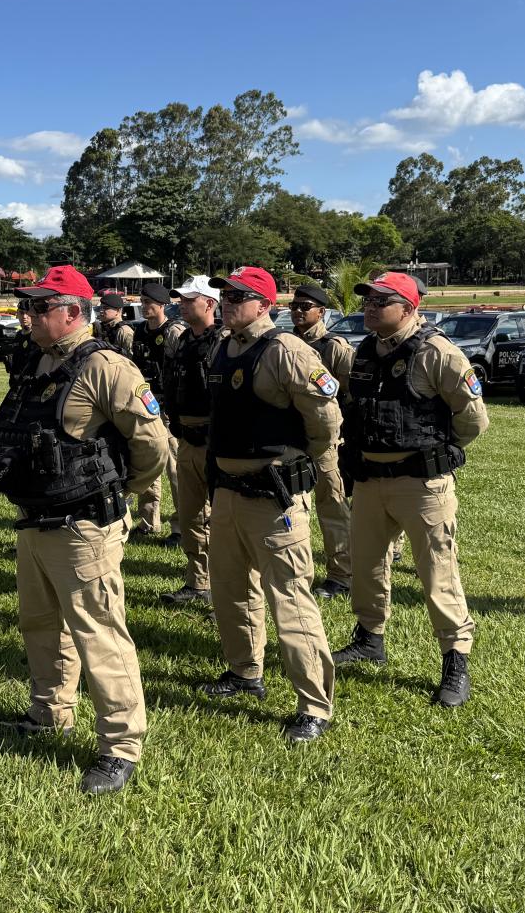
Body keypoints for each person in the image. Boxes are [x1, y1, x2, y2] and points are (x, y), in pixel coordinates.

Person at [0, 265, 168, 794]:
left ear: (72, 313)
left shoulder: (107, 367)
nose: (30, 315)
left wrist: (119, 492)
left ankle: (120, 746)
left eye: (41, 308)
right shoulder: (38, 361)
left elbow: (152, 444)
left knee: (99, 633)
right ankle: (49, 713)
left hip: (84, 524)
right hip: (36, 517)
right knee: (40, 625)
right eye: (31, 307)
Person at [193, 267, 340, 746]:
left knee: (291, 600)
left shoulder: (286, 351)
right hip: (230, 492)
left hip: (275, 496)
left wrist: (301, 467)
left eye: (239, 295)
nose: (228, 301)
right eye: (225, 294)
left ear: (264, 304)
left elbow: (325, 420)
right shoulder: (223, 345)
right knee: (231, 591)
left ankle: (314, 705)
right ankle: (243, 673)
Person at [332, 271, 488, 708]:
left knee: (437, 573)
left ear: (409, 308)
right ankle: (369, 638)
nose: (369, 307)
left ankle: (455, 660)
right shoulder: (364, 351)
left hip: (421, 483)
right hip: (369, 480)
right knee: (366, 565)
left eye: (381, 301)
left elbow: (473, 419)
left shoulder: (437, 353)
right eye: (367, 300)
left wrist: (440, 450)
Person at [158, 275, 225, 606]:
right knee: (190, 515)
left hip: (218, 441)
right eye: (180, 300)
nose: (181, 304)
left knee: (221, 520)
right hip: (187, 437)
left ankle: (227, 588)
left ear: (210, 303)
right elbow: (170, 382)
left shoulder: (225, 340)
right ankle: (198, 581)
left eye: (189, 299)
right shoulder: (182, 339)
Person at [290, 283, 356, 599]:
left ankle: (341, 576)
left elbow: (354, 392)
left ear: (321, 311)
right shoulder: (284, 343)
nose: (298, 311)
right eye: (294, 306)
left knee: (332, 509)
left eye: (305, 306)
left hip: (326, 442)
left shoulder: (334, 348)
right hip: (290, 440)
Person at [130, 281, 187, 543]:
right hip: (145, 405)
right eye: (142, 302)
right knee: (148, 462)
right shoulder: (139, 331)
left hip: (167, 408)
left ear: (162, 305)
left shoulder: (174, 331)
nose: (144, 307)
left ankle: (180, 526)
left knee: (175, 468)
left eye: (148, 303)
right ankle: (148, 521)